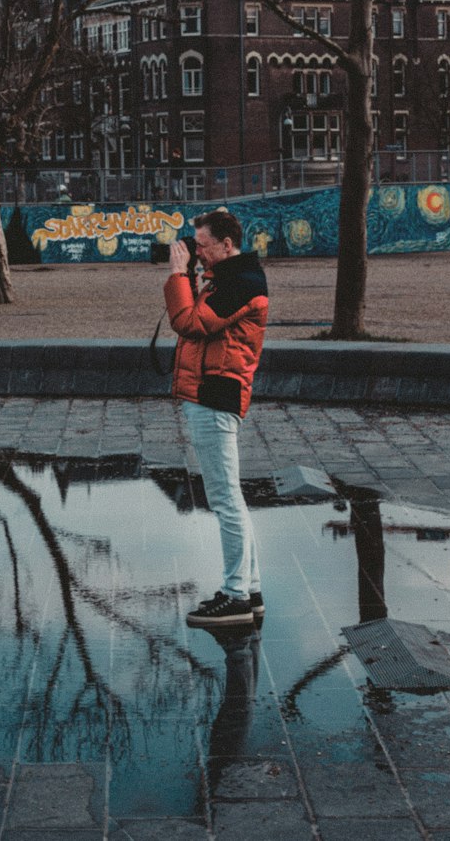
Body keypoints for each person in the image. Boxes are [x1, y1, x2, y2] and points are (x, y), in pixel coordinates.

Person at [164, 208, 268, 628]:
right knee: (231, 499)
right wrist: (191, 275)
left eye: (202, 245)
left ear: (227, 245)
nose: (197, 253)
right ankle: (251, 587)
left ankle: (235, 596)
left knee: (225, 500)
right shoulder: (228, 279)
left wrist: (177, 275)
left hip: (215, 395)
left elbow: (188, 323)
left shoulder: (241, 284)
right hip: (213, 393)